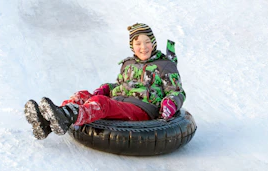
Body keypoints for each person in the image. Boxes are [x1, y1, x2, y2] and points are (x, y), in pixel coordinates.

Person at [25, 23, 186, 140]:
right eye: (138, 43)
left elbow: (176, 91)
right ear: (132, 46)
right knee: (82, 95)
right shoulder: (128, 64)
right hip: (121, 103)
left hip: (142, 108)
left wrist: (171, 103)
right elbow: (121, 85)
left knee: (101, 103)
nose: (143, 47)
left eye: (147, 42)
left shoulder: (165, 65)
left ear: (154, 42)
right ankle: (49, 121)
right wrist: (108, 88)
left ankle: (69, 116)